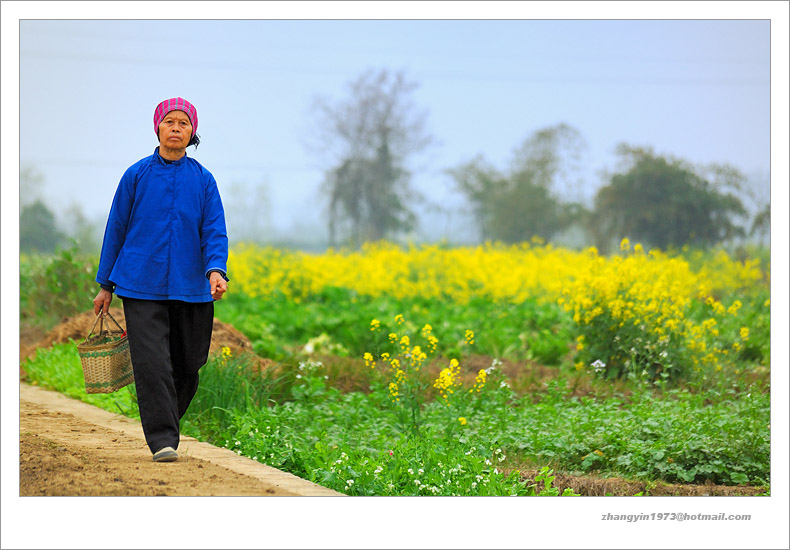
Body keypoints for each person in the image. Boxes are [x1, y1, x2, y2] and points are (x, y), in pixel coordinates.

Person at [93, 97, 229, 463]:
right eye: (169, 122)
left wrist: (216, 269)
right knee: (152, 361)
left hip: (191, 286)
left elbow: (215, 229)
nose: (175, 128)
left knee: (188, 363)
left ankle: (165, 418)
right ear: (157, 128)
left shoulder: (203, 180)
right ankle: (163, 439)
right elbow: (116, 228)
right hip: (140, 283)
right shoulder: (136, 175)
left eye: (183, 123)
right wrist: (106, 284)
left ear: (192, 133)